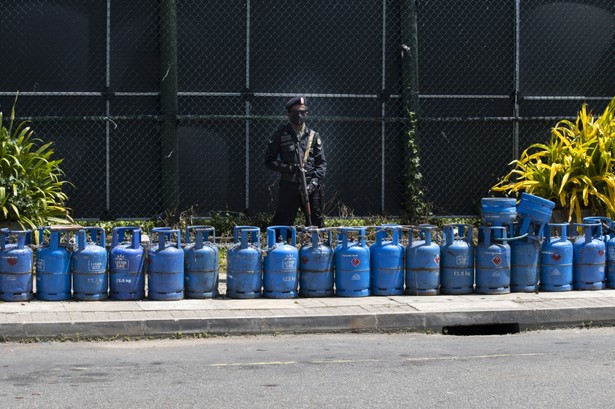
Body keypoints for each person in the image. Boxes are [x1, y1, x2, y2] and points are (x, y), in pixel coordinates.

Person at [265, 96, 326, 228]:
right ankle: (282, 246)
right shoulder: (280, 134)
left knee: (316, 222)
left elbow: (321, 164)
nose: (299, 115)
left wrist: (313, 184)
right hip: (289, 186)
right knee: (282, 224)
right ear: (288, 114)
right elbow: (269, 161)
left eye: (302, 112)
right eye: (295, 112)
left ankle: (316, 248)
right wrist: (290, 168)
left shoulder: (313, 136)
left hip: (311, 186)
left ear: (307, 114)